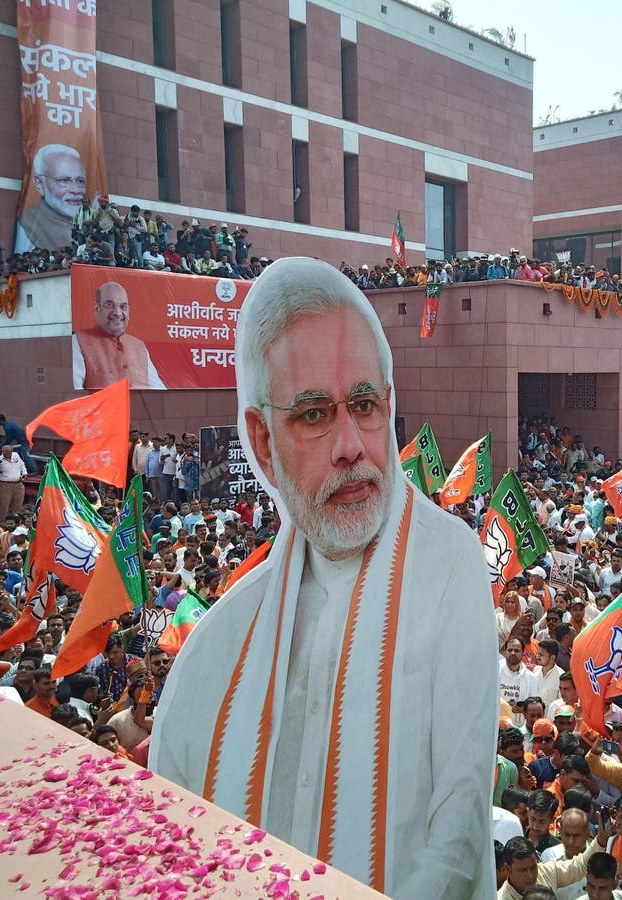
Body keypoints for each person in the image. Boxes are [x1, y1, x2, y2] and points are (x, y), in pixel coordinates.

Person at [150, 258, 499, 898]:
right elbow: (174, 835)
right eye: (313, 415)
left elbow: (459, 820)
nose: (349, 444)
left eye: (364, 405)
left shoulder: (450, 567)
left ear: (389, 407)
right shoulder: (219, 646)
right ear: (262, 441)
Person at [72, 281, 166, 389]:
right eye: (109, 305)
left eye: (123, 306)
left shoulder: (139, 346)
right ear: (97, 309)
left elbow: (159, 392)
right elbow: (75, 395)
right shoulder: (78, 342)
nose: (117, 313)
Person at [16, 143, 87, 252]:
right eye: (64, 180)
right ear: (39, 183)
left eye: (80, 181)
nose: (76, 190)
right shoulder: (29, 225)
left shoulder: (87, 222)